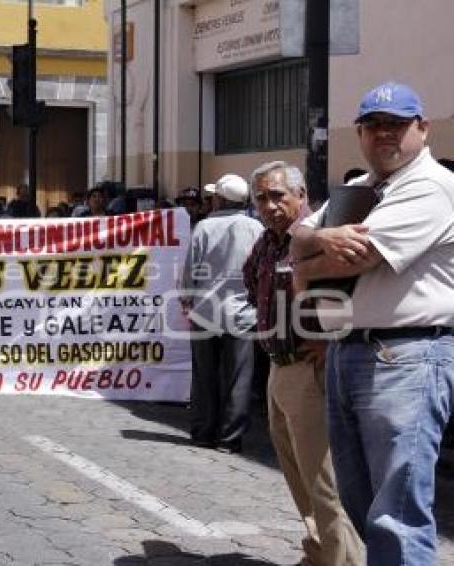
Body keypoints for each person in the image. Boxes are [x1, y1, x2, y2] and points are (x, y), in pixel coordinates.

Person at [290, 81, 454, 565]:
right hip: (352, 351)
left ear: (422, 129)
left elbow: (350, 261)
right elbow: (298, 231)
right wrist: (315, 241)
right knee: (364, 508)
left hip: (407, 355)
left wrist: (303, 262)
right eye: (374, 125)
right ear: (360, 133)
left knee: (396, 516)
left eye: (397, 125)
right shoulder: (360, 188)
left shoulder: (431, 187)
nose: (385, 134)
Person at [243, 161, 363, 565]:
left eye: (278, 195)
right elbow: (251, 285)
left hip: (311, 372)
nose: (270, 204)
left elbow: (358, 286)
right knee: (297, 474)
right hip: (279, 367)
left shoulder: (315, 237)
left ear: (300, 196)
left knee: (322, 479)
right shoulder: (265, 243)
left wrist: (333, 340)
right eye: (261, 197)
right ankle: (320, 552)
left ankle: (342, 561)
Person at [179, 173, 263, 453]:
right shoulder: (256, 228)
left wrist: (185, 299)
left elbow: (191, 269)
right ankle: (230, 437)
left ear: (220, 199)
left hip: (205, 311)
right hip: (243, 312)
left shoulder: (204, 227)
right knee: (239, 377)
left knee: (204, 375)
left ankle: (204, 432)